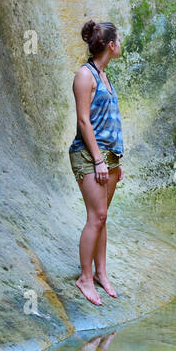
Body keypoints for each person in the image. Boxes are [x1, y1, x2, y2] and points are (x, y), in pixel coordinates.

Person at [69, 20, 124, 306]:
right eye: (119, 40)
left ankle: (101, 273)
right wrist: (100, 161)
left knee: (103, 217)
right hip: (89, 155)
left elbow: (108, 123)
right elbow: (83, 121)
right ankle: (84, 277)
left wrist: (115, 162)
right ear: (111, 45)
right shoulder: (85, 75)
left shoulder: (103, 76)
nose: (121, 44)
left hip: (108, 157)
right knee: (97, 215)